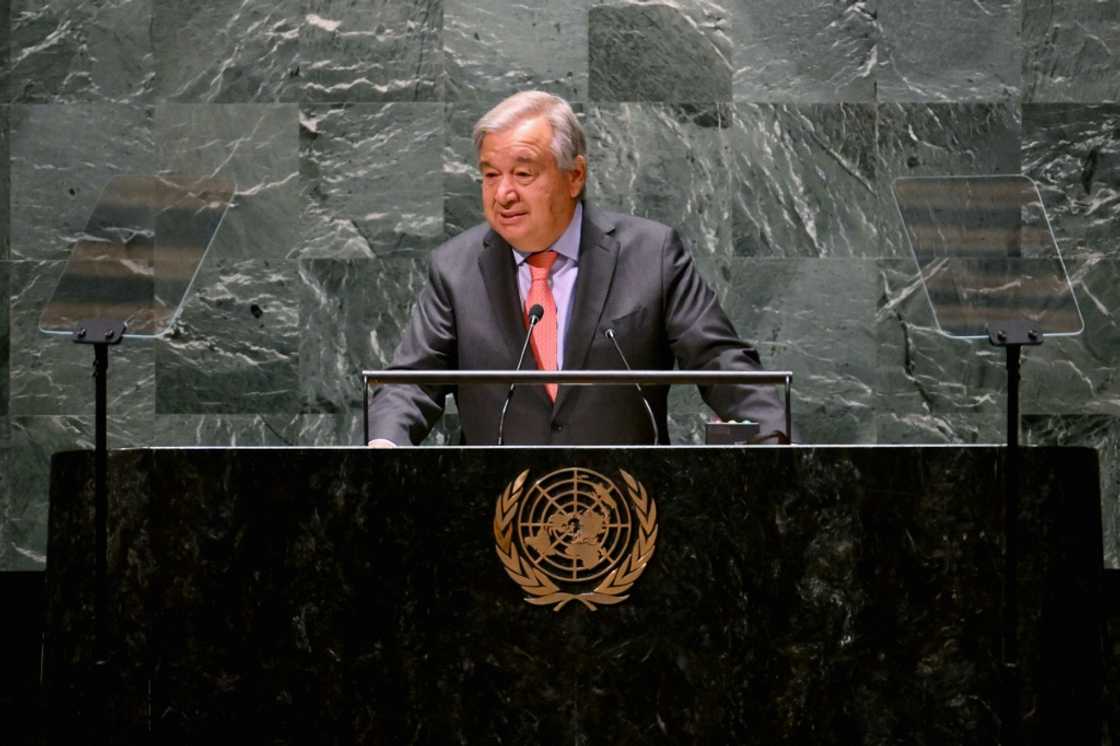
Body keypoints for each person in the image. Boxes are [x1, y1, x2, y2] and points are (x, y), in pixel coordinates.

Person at [367, 91, 788, 446]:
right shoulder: (454, 270)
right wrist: (386, 442)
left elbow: (719, 359)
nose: (504, 193)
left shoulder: (651, 254)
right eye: (491, 175)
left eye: (523, 173)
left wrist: (773, 436)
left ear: (575, 176)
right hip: (497, 513)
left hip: (628, 510)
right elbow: (411, 382)